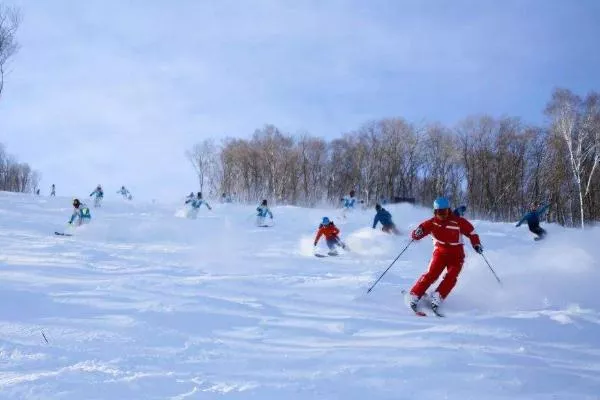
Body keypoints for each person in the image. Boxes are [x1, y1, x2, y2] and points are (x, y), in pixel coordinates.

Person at [408, 196, 482, 314]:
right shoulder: (432, 223)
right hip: (440, 252)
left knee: (451, 276)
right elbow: (418, 232)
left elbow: (472, 233)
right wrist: (416, 234)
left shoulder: (458, 221)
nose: (442, 215)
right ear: (435, 211)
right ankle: (415, 294)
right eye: (439, 212)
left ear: (449, 210)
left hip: (456, 254)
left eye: (445, 211)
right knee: (432, 274)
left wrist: (476, 244)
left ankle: (438, 296)